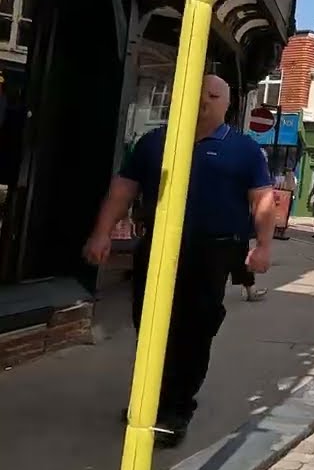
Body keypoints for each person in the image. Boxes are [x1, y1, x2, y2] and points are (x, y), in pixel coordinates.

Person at [83, 75, 274, 449]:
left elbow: (262, 200)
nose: (204, 101)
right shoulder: (154, 142)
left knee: (194, 331)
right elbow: (123, 190)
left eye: (213, 95)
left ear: (227, 104)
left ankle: (175, 409)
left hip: (213, 252)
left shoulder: (245, 150)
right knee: (148, 323)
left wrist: (264, 246)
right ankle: (149, 397)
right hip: (157, 247)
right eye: (198, 93)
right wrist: (102, 232)